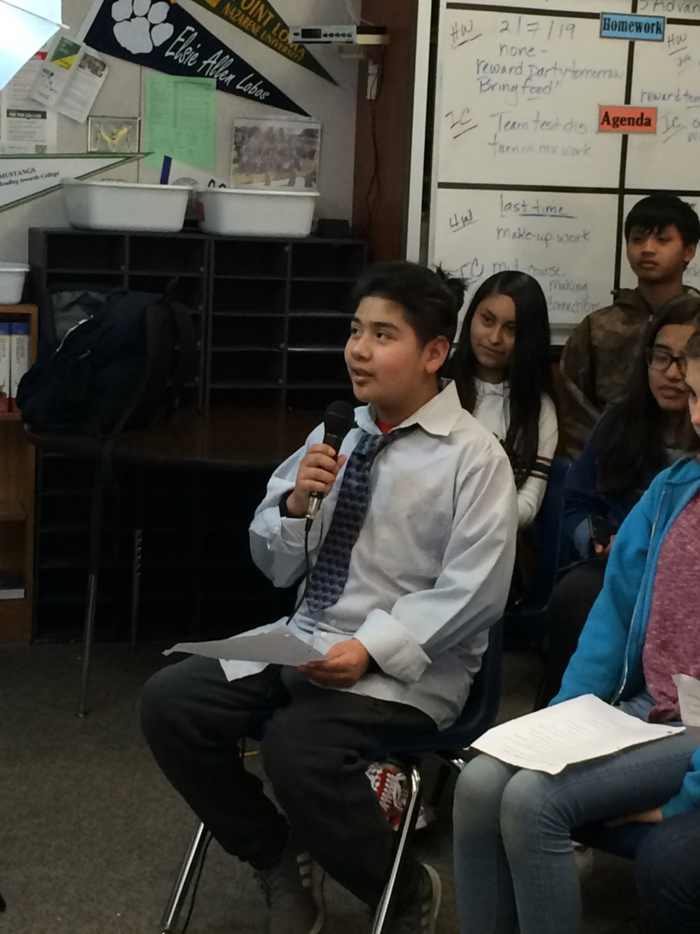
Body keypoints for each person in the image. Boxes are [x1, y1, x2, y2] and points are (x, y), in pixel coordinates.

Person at [140, 261, 517, 934]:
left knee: (295, 748)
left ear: (434, 353)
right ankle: (276, 855)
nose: (358, 350)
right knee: (171, 703)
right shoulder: (337, 432)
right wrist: (293, 503)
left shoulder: (474, 457)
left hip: (412, 670)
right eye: (354, 331)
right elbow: (276, 564)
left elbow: (476, 591)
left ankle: (401, 893)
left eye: (382, 334)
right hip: (304, 635)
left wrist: (369, 649)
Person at [452, 327, 700, 934]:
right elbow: (611, 625)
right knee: (481, 780)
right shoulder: (672, 493)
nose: (699, 413)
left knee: (536, 803)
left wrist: (686, 799)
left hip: (694, 733)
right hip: (644, 711)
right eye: (694, 395)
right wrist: (558, 727)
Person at [539, 297, 700, 706]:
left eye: (685, 360)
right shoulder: (620, 421)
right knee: (580, 593)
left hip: (674, 576)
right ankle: (559, 710)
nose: (672, 373)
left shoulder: (686, 474)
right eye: (661, 357)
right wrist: (594, 539)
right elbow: (576, 502)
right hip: (612, 558)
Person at [559, 193, 700, 458]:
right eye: (637, 239)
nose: (647, 248)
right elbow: (573, 410)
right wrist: (607, 458)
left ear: (689, 250)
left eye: (662, 239)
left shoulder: (697, 322)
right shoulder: (598, 327)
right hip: (611, 467)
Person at [452, 270, 558, 529]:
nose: (494, 338)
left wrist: (471, 519)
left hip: (493, 546)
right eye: (487, 320)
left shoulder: (539, 409)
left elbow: (529, 505)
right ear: (471, 318)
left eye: (512, 329)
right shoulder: (434, 386)